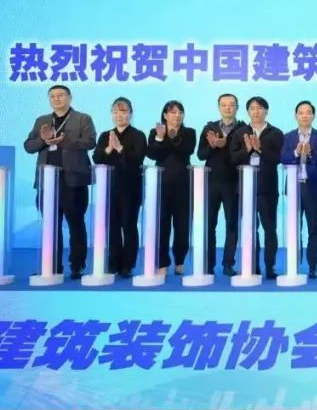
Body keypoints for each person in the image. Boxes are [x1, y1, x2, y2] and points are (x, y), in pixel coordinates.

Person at [23, 85, 96, 279]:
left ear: (70, 97)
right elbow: (28, 146)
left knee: (76, 223)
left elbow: (90, 142)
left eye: (60, 95)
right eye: (52, 96)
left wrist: (63, 140)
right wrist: (44, 141)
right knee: (50, 225)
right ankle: (52, 266)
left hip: (73, 180)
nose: (56, 99)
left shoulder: (83, 118)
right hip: (47, 181)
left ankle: (77, 266)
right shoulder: (42, 120)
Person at [229, 96, 284, 278]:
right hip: (245, 188)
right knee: (249, 229)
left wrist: (260, 149)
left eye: (259, 108)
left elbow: (279, 158)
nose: (256, 112)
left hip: (267, 188)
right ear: (247, 111)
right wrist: (247, 149)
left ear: (266, 111)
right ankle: (252, 266)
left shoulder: (275, 133)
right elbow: (232, 159)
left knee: (270, 229)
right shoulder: (239, 133)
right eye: (252, 108)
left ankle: (270, 267)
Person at [92, 97, 146, 278]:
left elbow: (137, 159)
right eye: (115, 112)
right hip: (109, 187)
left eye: (123, 111)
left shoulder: (138, 135)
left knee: (128, 225)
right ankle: (113, 262)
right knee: (112, 226)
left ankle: (127, 265)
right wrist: (109, 148)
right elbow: (97, 158)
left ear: (130, 113)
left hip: (131, 188)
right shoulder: (105, 135)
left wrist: (120, 148)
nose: (119, 115)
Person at [146, 100, 197, 276]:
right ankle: (162, 262)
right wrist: (161, 138)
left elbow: (186, 151)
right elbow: (153, 154)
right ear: (165, 115)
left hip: (183, 184)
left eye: (180, 112)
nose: (177, 116)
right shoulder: (155, 132)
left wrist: (172, 137)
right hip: (161, 183)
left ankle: (180, 260)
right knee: (162, 224)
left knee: (182, 224)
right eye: (173, 112)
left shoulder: (189, 133)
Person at [196, 93, 244, 275]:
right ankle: (208, 264)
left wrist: (227, 145)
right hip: (211, 181)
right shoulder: (209, 128)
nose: (228, 108)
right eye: (224, 105)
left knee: (232, 223)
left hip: (233, 181)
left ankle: (228, 264)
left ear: (237, 107)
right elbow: (201, 154)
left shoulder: (243, 129)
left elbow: (243, 154)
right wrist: (213, 145)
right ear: (219, 108)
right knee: (210, 223)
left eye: (231, 104)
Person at [280, 101, 317, 279]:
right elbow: (283, 158)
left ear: (313, 116)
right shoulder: (288, 137)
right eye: (301, 113)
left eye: (308, 112)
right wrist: (296, 152)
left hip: (313, 186)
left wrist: (309, 153)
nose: (304, 116)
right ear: (296, 116)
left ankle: (313, 265)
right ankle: (294, 263)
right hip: (294, 186)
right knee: (294, 227)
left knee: (313, 227)